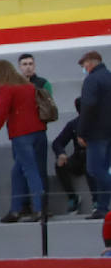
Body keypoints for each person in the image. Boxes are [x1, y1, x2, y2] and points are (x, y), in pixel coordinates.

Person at [0, 59, 44, 223]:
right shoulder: (29, 87)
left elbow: (0, 114)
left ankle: (39, 209)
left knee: (31, 172)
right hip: (38, 132)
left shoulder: (7, 89)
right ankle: (15, 209)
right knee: (17, 172)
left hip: (21, 134)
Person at [15, 53, 53, 215]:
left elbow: (49, 106)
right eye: (24, 64)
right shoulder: (12, 84)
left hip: (38, 132)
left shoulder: (43, 83)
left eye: (30, 63)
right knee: (20, 170)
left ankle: (42, 207)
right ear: (19, 67)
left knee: (39, 170)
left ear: (34, 66)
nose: (28, 66)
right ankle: (23, 206)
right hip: (20, 134)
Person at [76, 51, 111, 220]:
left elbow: (88, 105)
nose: (84, 68)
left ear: (90, 63)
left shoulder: (92, 79)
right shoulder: (109, 76)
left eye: (84, 65)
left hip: (97, 132)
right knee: (104, 169)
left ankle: (103, 206)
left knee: (95, 169)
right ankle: (103, 207)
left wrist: (81, 131)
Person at [50, 98, 89, 216]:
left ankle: (98, 200)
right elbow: (57, 142)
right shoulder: (73, 124)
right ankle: (73, 198)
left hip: (94, 157)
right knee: (60, 165)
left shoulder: (99, 123)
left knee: (91, 163)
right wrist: (61, 153)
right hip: (79, 158)